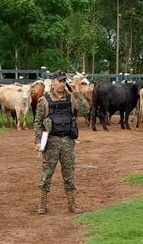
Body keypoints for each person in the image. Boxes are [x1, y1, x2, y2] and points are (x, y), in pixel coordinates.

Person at [34, 70, 89, 214]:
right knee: (46, 174)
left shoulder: (71, 98)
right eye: (59, 80)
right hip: (51, 141)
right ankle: (42, 204)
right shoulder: (44, 101)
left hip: (67, 142)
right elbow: (38, 122)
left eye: (64, 81)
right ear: (52, 82)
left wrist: (77, 93)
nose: (62, 83)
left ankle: (72, 204)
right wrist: (38, 141)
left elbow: (85, 110)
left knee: (69, 174)